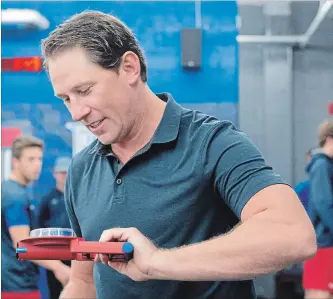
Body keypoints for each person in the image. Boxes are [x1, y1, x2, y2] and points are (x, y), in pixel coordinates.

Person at [41, 10, 316, 299]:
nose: (76, 112)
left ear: (129, 68)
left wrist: (158, 262)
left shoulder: (213, 144)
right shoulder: (83, 168)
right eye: (66, 99)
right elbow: (84, 282)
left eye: (84, 90)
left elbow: (292, 234)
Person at [1, 136, 71, 299]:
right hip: (17, 285)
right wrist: (59, 267)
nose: (37, 164)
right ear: (16, 161)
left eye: (39, 159)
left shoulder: (10, 190)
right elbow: (22, 245)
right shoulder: (15, 197)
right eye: (30, 159)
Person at [303, 121, 333, 299]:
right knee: (320, 294)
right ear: (329, 139)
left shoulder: (325, 166)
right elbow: (325, 205)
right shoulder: (322, 166)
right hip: (323, 244)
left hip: (326, 242)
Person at [38, 156, 72, 299]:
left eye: (66, 172)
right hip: (54, 255)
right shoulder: (47, 199)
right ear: (54, 174)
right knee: (55, 292)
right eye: (60, 172)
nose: (64, 175)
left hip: (76, 253)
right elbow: (38, 226)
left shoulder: (78, 197)